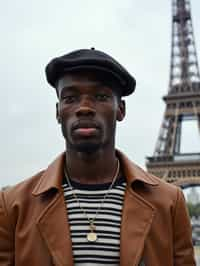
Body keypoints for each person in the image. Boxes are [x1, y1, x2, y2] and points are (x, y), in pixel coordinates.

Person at [0, 48, 195, 266]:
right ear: (58, 112)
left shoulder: (170, 203)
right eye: (70, 98)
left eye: (100, 97)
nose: (84, 108)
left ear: (120, 109)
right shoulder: (13, 205)